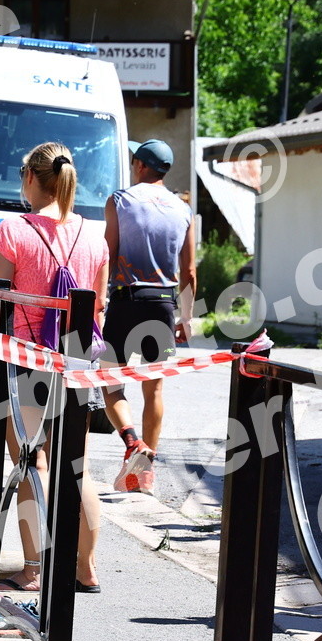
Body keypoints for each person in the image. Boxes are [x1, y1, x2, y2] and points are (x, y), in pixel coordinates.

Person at [0, 142, 109, 593]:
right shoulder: (94, 236)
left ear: (31, 177)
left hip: (26, 361)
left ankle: (33, 569)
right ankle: (85, 568)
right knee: (77, 467)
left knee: (30, 462)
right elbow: (99, 307)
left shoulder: (13, 231)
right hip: (78, 363)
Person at [100, 139, 195, 494]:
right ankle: (144, 473)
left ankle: (131, 441)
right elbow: (190, 271)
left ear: (140, 165)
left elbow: (108, 255)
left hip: (125, 300)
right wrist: (187, 318)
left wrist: (98, 301)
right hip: (163, 305)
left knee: (110, 380)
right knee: (154, 388)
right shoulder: (183, 209)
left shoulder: (119, 200)